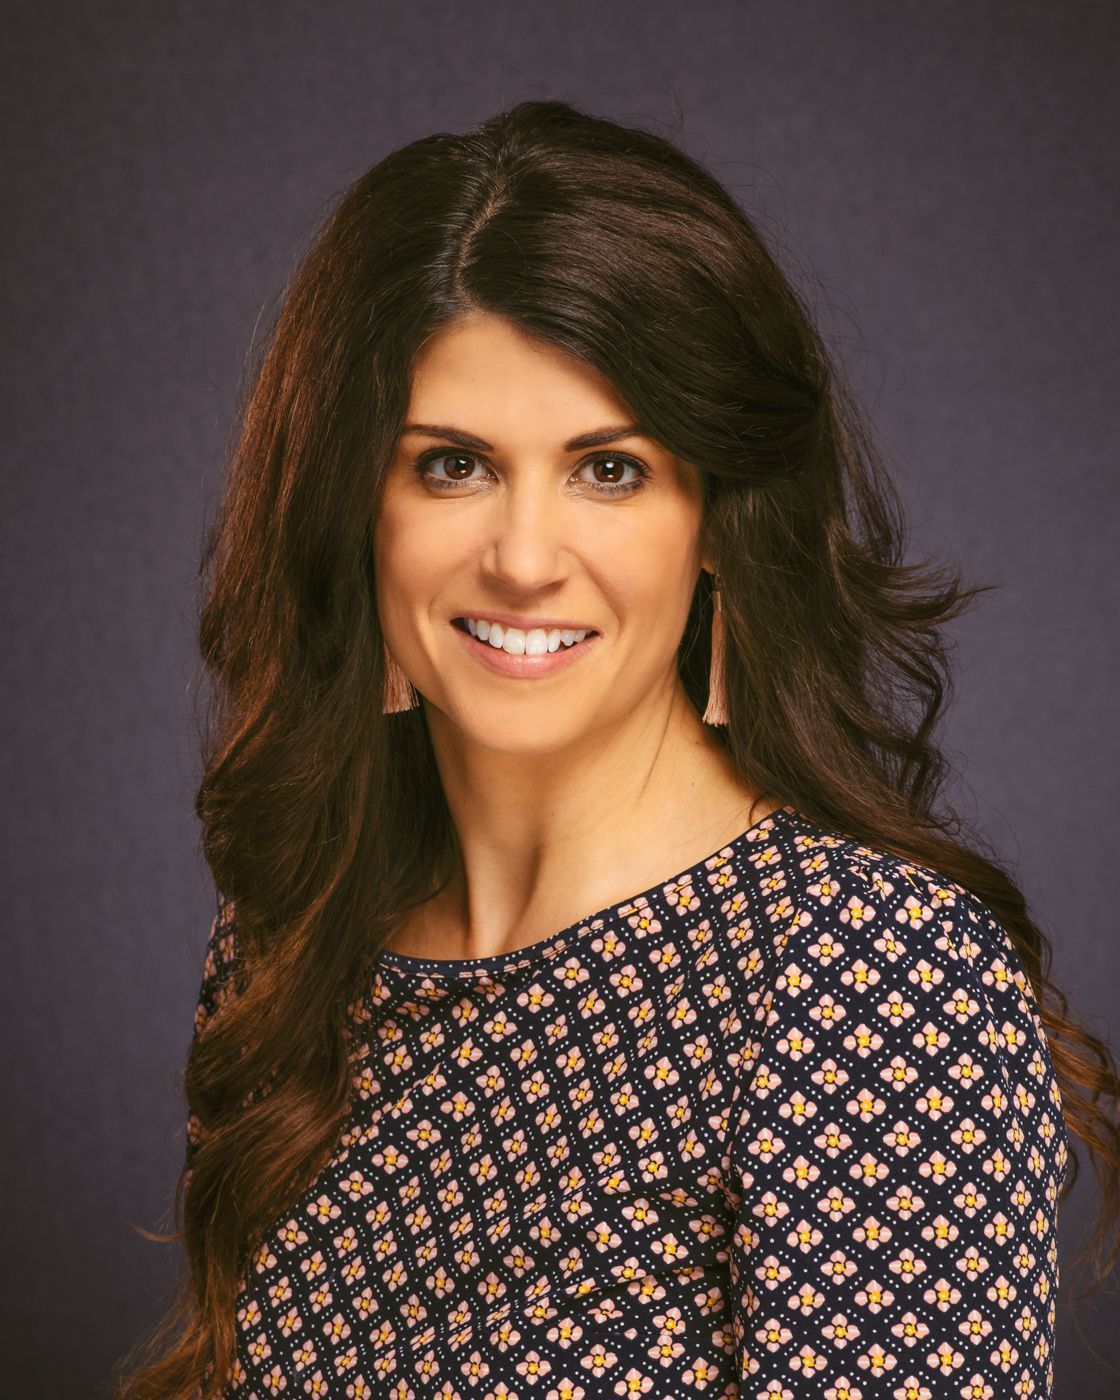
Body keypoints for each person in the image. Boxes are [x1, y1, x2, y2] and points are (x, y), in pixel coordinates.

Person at [114, 99, 1119, 1400]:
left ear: (715, 521)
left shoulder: (870, 984)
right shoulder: (293, 937)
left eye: (610, 470)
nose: (526, 560)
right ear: (353, 510)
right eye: (454, 465)